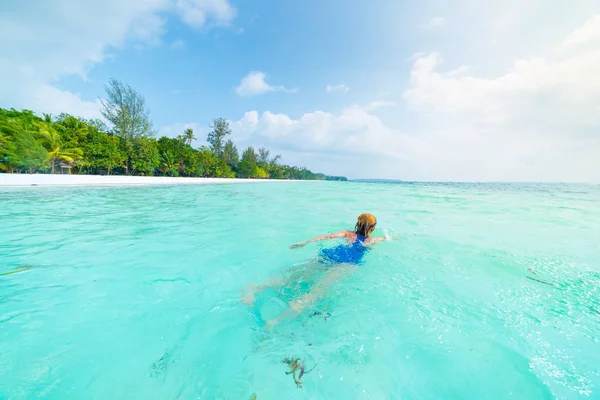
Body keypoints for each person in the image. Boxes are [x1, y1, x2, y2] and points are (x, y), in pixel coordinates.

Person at [243, 213, 396, 327]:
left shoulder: (347, 233)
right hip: (345, 265)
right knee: (313, 294)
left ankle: (253, 290)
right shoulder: (372, 240)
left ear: (357, 223)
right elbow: (390, 239)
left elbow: (327, 237)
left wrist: (305, 242)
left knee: (289, 278)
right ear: (373, 227)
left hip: (328, 257)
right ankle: (275, 322)